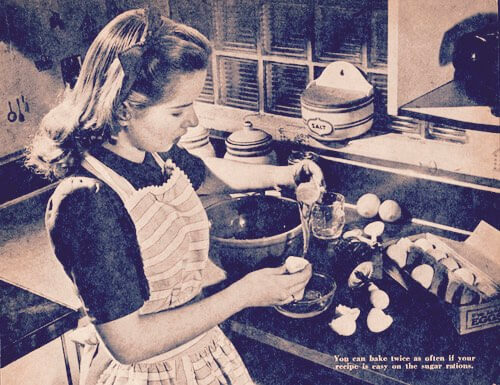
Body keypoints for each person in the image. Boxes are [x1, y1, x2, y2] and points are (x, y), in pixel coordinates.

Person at [26, 8, 323, 385]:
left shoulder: (149, 150)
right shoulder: (86, 202)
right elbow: (129, 344)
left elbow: (205, 175)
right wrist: (244, 294)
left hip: (198, 350)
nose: (194, 121)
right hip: (151, 373)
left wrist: (284, 175)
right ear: (122, 109)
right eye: (179, 110)